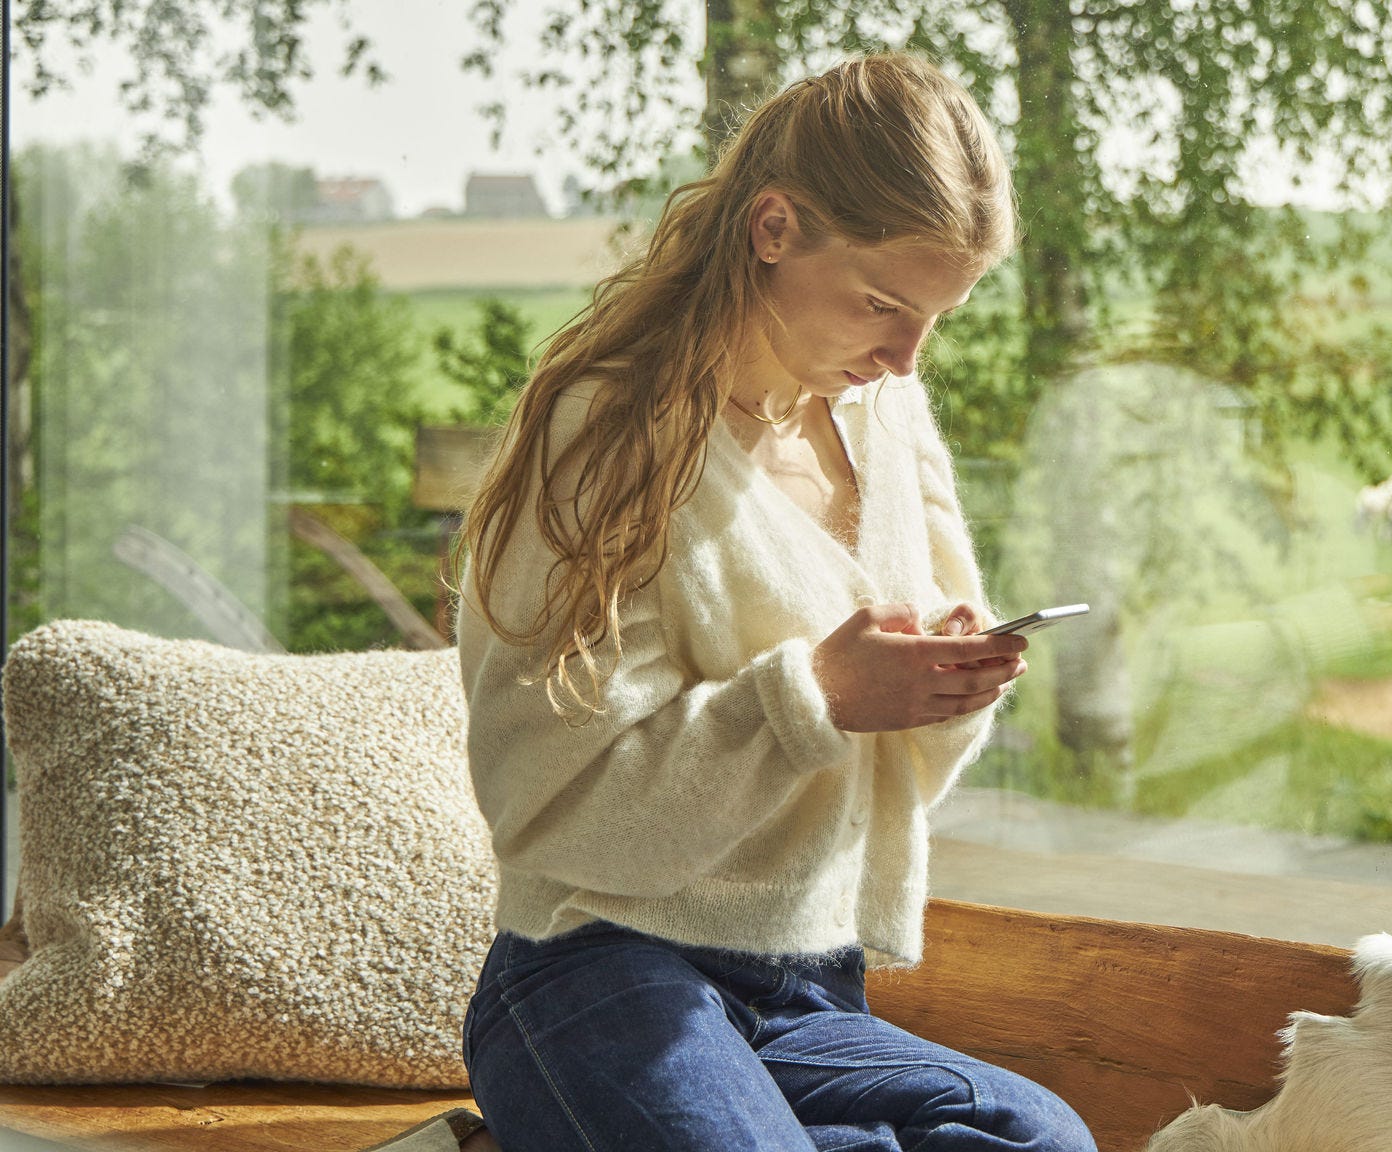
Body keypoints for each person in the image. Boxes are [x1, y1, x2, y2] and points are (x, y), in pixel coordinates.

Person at [454, 53, 1097, 1152]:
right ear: (771, 228)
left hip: (808, 990)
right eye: (882, 304)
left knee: (1045, 1139)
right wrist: (815, 700)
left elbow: (894, 775)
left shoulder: (883, 422)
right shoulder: (605, 434)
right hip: (594, 971)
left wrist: (942, 687)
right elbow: (536, 800)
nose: (904, 357)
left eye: (934, 318)